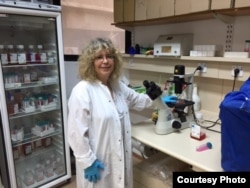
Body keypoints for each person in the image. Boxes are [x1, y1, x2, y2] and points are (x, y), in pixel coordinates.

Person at [67, 37, 176, 188]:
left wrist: (158, 99)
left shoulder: (117, 86)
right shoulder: (82, 91)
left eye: (109, 56)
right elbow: (76, 134)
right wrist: (87, 162)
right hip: (98, 162)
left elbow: (138, 100)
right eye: (99, 57)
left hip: (120, 158)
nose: (105, 61)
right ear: (90, 62)